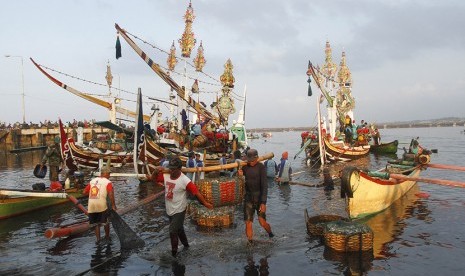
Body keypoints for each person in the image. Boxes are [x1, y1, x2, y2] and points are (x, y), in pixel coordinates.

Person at [148, 157, 213, 257]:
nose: (171, 171)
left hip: (179, 209)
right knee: (179, 229)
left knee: (173, 230)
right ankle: (186, 246)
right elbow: (153, 179)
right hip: (169, 208)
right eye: (170, 168)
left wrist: (205, 203)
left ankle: (174, 254)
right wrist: (156, 172)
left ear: (179, 169)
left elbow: (196, 192)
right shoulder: (166, 175)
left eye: (173, 169)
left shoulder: (185, 180)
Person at [238, 149, 274, 244]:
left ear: (257, 158)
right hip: (248, 198)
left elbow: (265, 186)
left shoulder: (261, 168)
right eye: (249, 160)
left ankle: (270, 234)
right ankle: (250, 242)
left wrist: (263, 203)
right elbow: (239, 182)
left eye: (253, 160)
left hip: (259, 198)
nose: (251, 162)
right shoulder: (244, 167)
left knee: (262, 222)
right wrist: (239, 176)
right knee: (248, 222)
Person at [83, 166, 116, 242]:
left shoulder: (92, 181)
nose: (109, 176)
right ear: (105, 173)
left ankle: (98, 240)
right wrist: (113, 206)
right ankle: (107, 237)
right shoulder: (108, 182)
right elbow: (111, 194)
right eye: (109, 174)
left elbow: (84, 192)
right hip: (101, 205)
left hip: (91, 206)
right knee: (106, 222)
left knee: (96, 224)